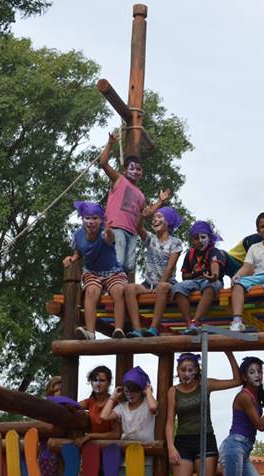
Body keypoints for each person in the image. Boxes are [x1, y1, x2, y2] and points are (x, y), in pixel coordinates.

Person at [97, 132, 171, 276]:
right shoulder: (119, 179)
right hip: (116, 227)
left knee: (128, 265)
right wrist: (110, 143)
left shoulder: (140, 195)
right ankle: (110, 285)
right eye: (132, 168)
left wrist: (160, 201)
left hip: (131, 232)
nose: (136, 171)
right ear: (124, 170)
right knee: (117, 261)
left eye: (139, 169)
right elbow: (103, 163)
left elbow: (147, 213)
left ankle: (118, 285)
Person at [63, 201, 129, 340]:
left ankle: (118, 329)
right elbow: (79, 251)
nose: (91, 222)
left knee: (118, 290)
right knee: (91, 291)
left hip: (112, 271)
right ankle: (91, 332)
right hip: (92, 272)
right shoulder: (78, 235)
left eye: (95, 218)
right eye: (88, 218)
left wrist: (110, 230)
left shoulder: (104, 232)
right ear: (82, 219)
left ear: (100, 220)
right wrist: (73, 257)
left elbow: (109, 239)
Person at [101, 366, 157, 476]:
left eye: (134, 390)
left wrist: (148, 392)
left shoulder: (148, 403)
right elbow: (104, 416)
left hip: (144, 461)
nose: (130, 394)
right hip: (124, 461)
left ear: (141, 390)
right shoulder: (122, 408)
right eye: (127, 391)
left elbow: (154, 408)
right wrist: (113, 398)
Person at [120, 206, 184, 338]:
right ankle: (137, 329)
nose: (155, 220)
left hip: (166, 283)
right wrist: (142, 216)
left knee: (162, 286)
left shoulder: (175, 243)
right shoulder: (151, 238)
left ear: (168, 222)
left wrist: (160, 283)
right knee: (129, 288)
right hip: (148, 284)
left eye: (159, 217)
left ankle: (153, 328)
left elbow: (170, 267)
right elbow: (138, 228)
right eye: (154, 218)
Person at [172, 221, 227, 335]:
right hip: (195, 282)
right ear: (192, 240)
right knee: (177, 288)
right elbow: (184, 276)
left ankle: (195, 321)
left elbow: (215, 267)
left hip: (212, 281)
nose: (200, 240)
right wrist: (199, 273)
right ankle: (189, 323)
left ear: (209, 238)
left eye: (203, 237)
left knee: (210, 286)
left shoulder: (213, 251)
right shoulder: (190, 253)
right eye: (197, 238)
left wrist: (213, 276)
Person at [77, 366, 121, 444]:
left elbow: (116, 434)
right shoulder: (90, 401)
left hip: (111, 450)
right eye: (95, 380)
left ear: (109, 382)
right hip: (93, 449)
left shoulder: (113, 404)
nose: (98, 383)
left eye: (102, 380)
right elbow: (73, 406)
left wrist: (90, 436)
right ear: (91, 383)